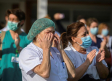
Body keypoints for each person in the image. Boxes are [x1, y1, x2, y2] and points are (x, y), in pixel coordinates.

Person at [0, 9, 31, 81]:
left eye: (14, 20)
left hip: (20, 77)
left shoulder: (27, 39)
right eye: (9, 19)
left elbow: (30, 59)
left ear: (21, 22)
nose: (11, 22)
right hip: (3, 76)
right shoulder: (2, 35)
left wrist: (18, 47)